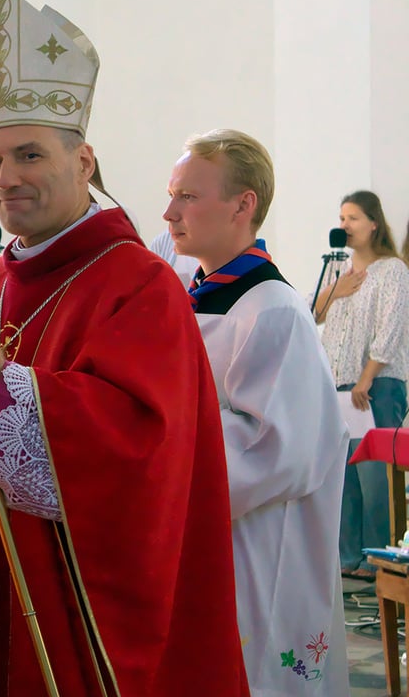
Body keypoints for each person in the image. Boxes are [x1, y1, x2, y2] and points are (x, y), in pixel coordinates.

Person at [0, 0, 248, 695]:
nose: (6, 180)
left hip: (69, 619)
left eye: (29, 155)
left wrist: (1, 389)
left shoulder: (140, 286)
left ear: (84, 161)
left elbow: (147, 455)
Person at [164, 128, 349, 694]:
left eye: (189, 197)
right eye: (172, 194)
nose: (169, 211)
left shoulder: (272, 310)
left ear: (244, 205)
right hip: (207, 542)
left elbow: (275, 453)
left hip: (259, 549)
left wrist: (156, 445)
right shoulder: (191, 298)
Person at [314, 190, 409, 580]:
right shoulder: (338, 270)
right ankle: (348, 559)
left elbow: (390, 329)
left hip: (376, 386)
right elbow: (313, 315)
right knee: (345, 479)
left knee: (376, 482)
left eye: (352, 218)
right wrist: (335, 289)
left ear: (373, 223)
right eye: (341, 218)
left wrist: (367, 378)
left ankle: (379, 563)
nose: (345, 226)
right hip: (339, 385)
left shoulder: (393, 271)